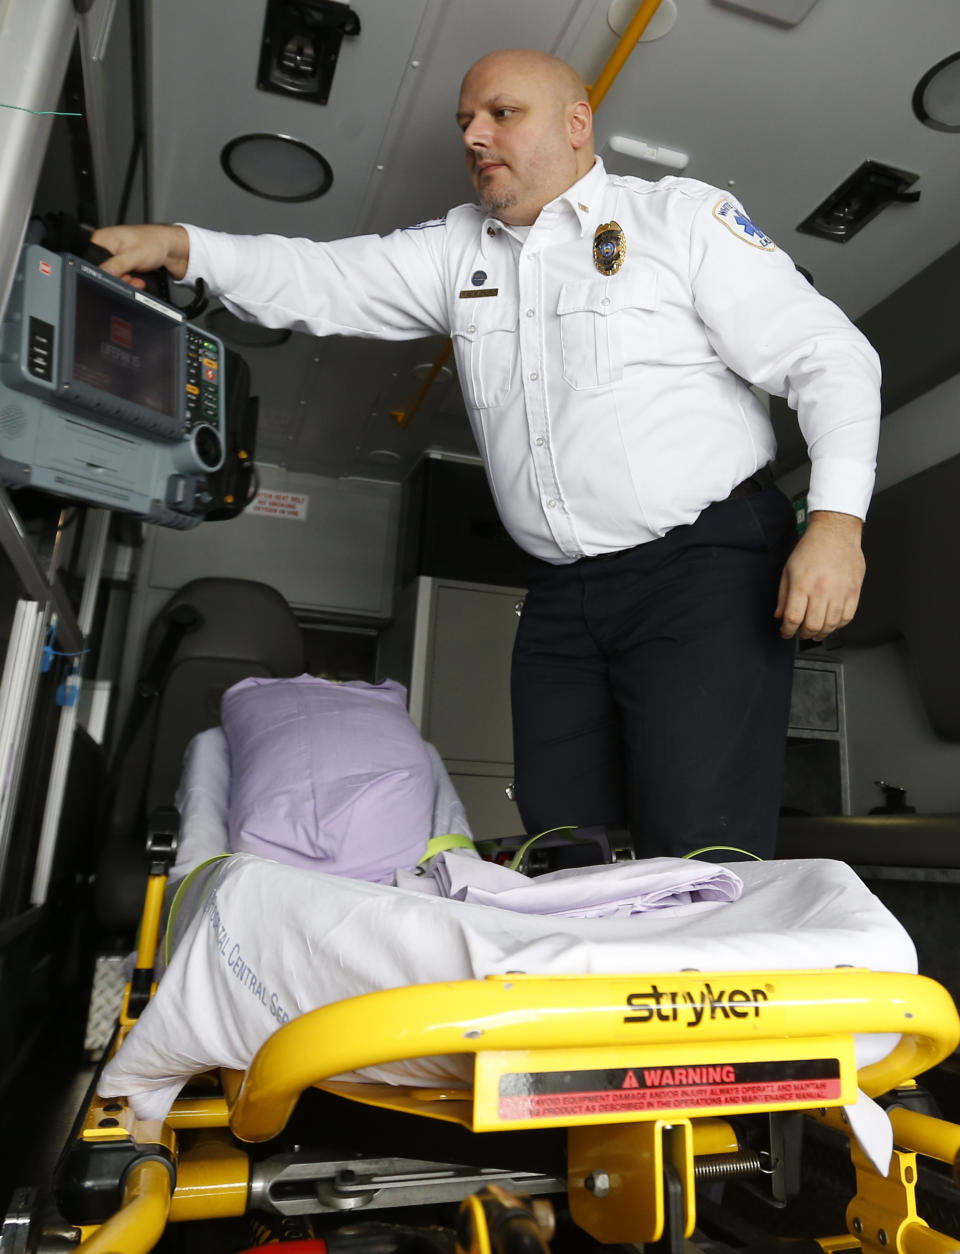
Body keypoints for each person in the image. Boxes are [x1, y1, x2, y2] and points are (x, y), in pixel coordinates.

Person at [92, 49, 880, 861]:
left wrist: (835, 527)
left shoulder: (675, 221)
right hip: (562, 596)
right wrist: (182, 246)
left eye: (502, 113)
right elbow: (322, 275)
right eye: (465, 120)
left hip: (703, 568)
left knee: (700, 841)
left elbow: (831, 358)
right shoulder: (457, 249)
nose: (473, 134)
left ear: (578, 124)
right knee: (568, 844)